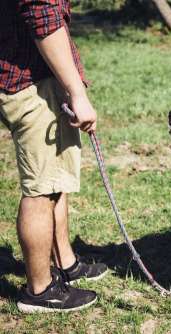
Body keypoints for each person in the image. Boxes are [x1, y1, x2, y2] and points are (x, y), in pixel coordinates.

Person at [0, 0, 108, 313]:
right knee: (41, 190)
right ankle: (40, 289)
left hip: (31, 74)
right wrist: (77, 92)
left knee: (55, 178)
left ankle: (65, 263)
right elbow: (43, 17)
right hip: (31, 81)